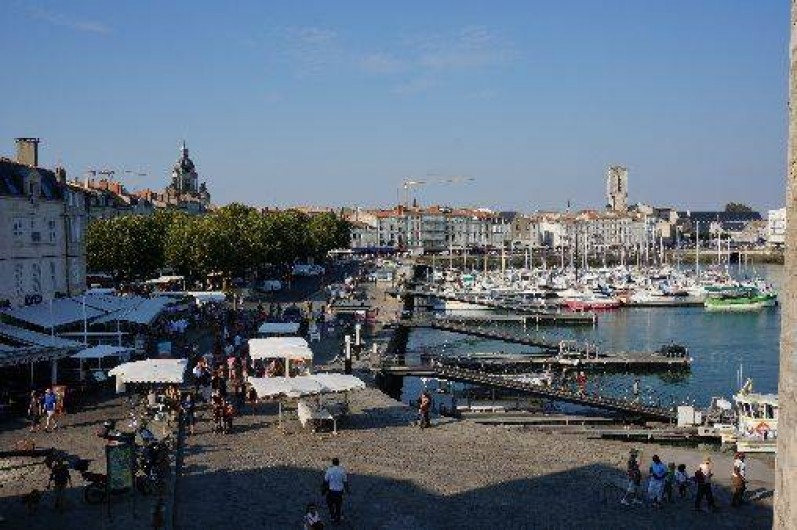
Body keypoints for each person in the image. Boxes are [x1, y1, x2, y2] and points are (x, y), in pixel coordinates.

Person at [323, 458, 349, 524]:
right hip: (339, 492)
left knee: (330, 505)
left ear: (332, 463)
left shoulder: (329, 470)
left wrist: (323, 490)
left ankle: (332, 517)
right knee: (338, 505)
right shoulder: (342, 471)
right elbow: (345, 482)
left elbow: (326, 481)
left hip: (331, 491)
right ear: (338, 463)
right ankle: (338, 518)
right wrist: (347, 490)